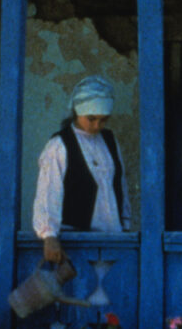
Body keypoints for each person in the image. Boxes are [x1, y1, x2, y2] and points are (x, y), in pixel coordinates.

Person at [33, 75, 131, 263]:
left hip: (113, 239)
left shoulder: (110, 141)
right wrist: (49, 235)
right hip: (76, 242)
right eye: (91, 119)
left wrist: (125, 225)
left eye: (103, 120)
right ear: (77, 112)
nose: (96, 126)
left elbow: (120, 184)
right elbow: (48, 191)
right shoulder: (59, 145)